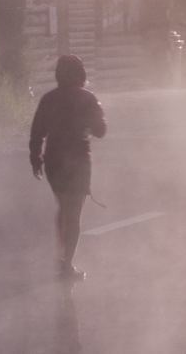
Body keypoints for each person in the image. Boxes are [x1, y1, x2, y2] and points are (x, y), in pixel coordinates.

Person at [30, 55, 107, 281]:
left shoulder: (49, 99)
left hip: (53, 161)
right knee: (73, 214)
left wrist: (36, 159)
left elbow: (37, 132)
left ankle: (61, 257)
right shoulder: (88, 98)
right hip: (78, 160)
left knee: (64, 208)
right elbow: (101, 131)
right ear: (81, 74)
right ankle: (66, 265)